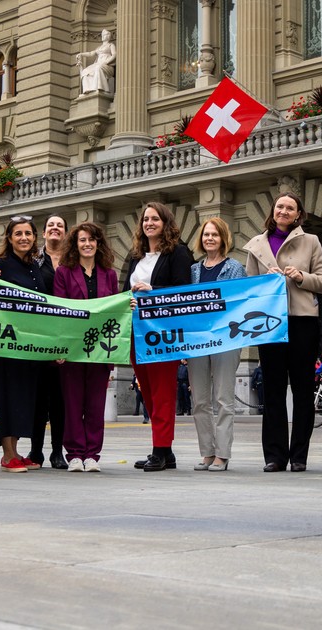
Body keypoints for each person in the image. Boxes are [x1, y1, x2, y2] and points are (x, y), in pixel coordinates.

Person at [245, 191, 322, 472]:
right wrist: (263, 281)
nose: (283, 211)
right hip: (268, 323)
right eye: (279, 206)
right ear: (273, 210)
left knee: (303, 390)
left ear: (298, 215)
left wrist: (301, 277)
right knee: (272, 390)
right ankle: (275, 456)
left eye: (290, 208)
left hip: (302, 320)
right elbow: (248, 289)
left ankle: (299, 456)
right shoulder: (256, 244)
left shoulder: (311, 241)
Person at [125, 201, 192, 472]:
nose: (149, 223)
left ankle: (159, 450)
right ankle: (165, 450)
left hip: (163, 333)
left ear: (165, 223)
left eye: (155, 219)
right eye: (145, 219)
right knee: (149, 392)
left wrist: (152, 290)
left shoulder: (178, 252)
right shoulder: (136, 257)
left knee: (163, 392)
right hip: (136, 331)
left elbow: (183, 290)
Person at [55, 221, 120, 472]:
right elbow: (59, 310)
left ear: (98, 243)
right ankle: (74, 454)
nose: (87, 244)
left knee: (95, 404)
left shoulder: (109, 274)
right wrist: (60, 347)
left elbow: (114, 310)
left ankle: (92, 454)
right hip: (72, 348)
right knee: (72, 404)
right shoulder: (64, 272)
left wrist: (127, 305)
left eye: (92, 239)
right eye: (82, 240)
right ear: (75, 244)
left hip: (101, 348)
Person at [186, 217, 246, 472]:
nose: (209, 238)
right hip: (198, 340)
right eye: (206, 234)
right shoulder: (193, 270)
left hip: (226, 338)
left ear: (223, 239)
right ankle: (207, 452)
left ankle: (222, 454)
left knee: (223, 398)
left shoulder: (235, 267)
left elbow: (241, 300)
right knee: (199, 400)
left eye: (215, 235)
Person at [0, 216, 45, 472]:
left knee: (23, 399)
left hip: (30, 345)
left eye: (28, 234)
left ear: (34, 237)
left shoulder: (34, 266)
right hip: (7, 344)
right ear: (10, 238)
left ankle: (16, 451)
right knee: (8, 397)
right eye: (18, 234)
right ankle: (7, 455)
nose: (24, 238)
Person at [30, 215, 67, 469]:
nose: (55, 229)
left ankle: (57, 452)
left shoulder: (72, 261)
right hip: (38, 336)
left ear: (65, 233)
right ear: (43, 233)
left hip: (65, 336)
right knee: (38, 399)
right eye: (51, 225)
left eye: (60, 226)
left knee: (60, 399)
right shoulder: (33, 260)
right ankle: (35, 451)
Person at [76, 29, 116, 94]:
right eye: (102, 35)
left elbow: (114, 55)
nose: (103, 36)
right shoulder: (99, 47)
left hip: (107, 66)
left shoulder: (111, 45)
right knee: (85, 71)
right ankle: (88, 90)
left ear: (108, 36)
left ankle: (99, 88)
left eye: (104, 35)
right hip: (98, 64)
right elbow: (90, 53)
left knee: (98, 68)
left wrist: (106, 62)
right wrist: (81, 54)